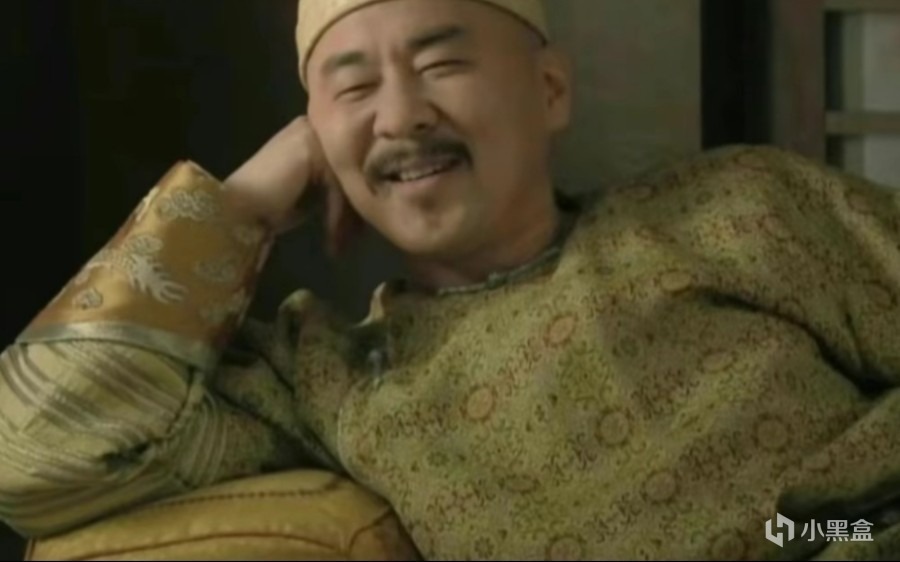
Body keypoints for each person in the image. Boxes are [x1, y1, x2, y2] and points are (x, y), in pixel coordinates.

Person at [2, 0, 900, 559]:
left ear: (549, 91)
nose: (401, 116)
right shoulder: (328, 379)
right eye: (353, 91)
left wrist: (813, 532)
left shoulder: (735, 207)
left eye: (442, 64)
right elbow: (32, 456)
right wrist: (241, 204)